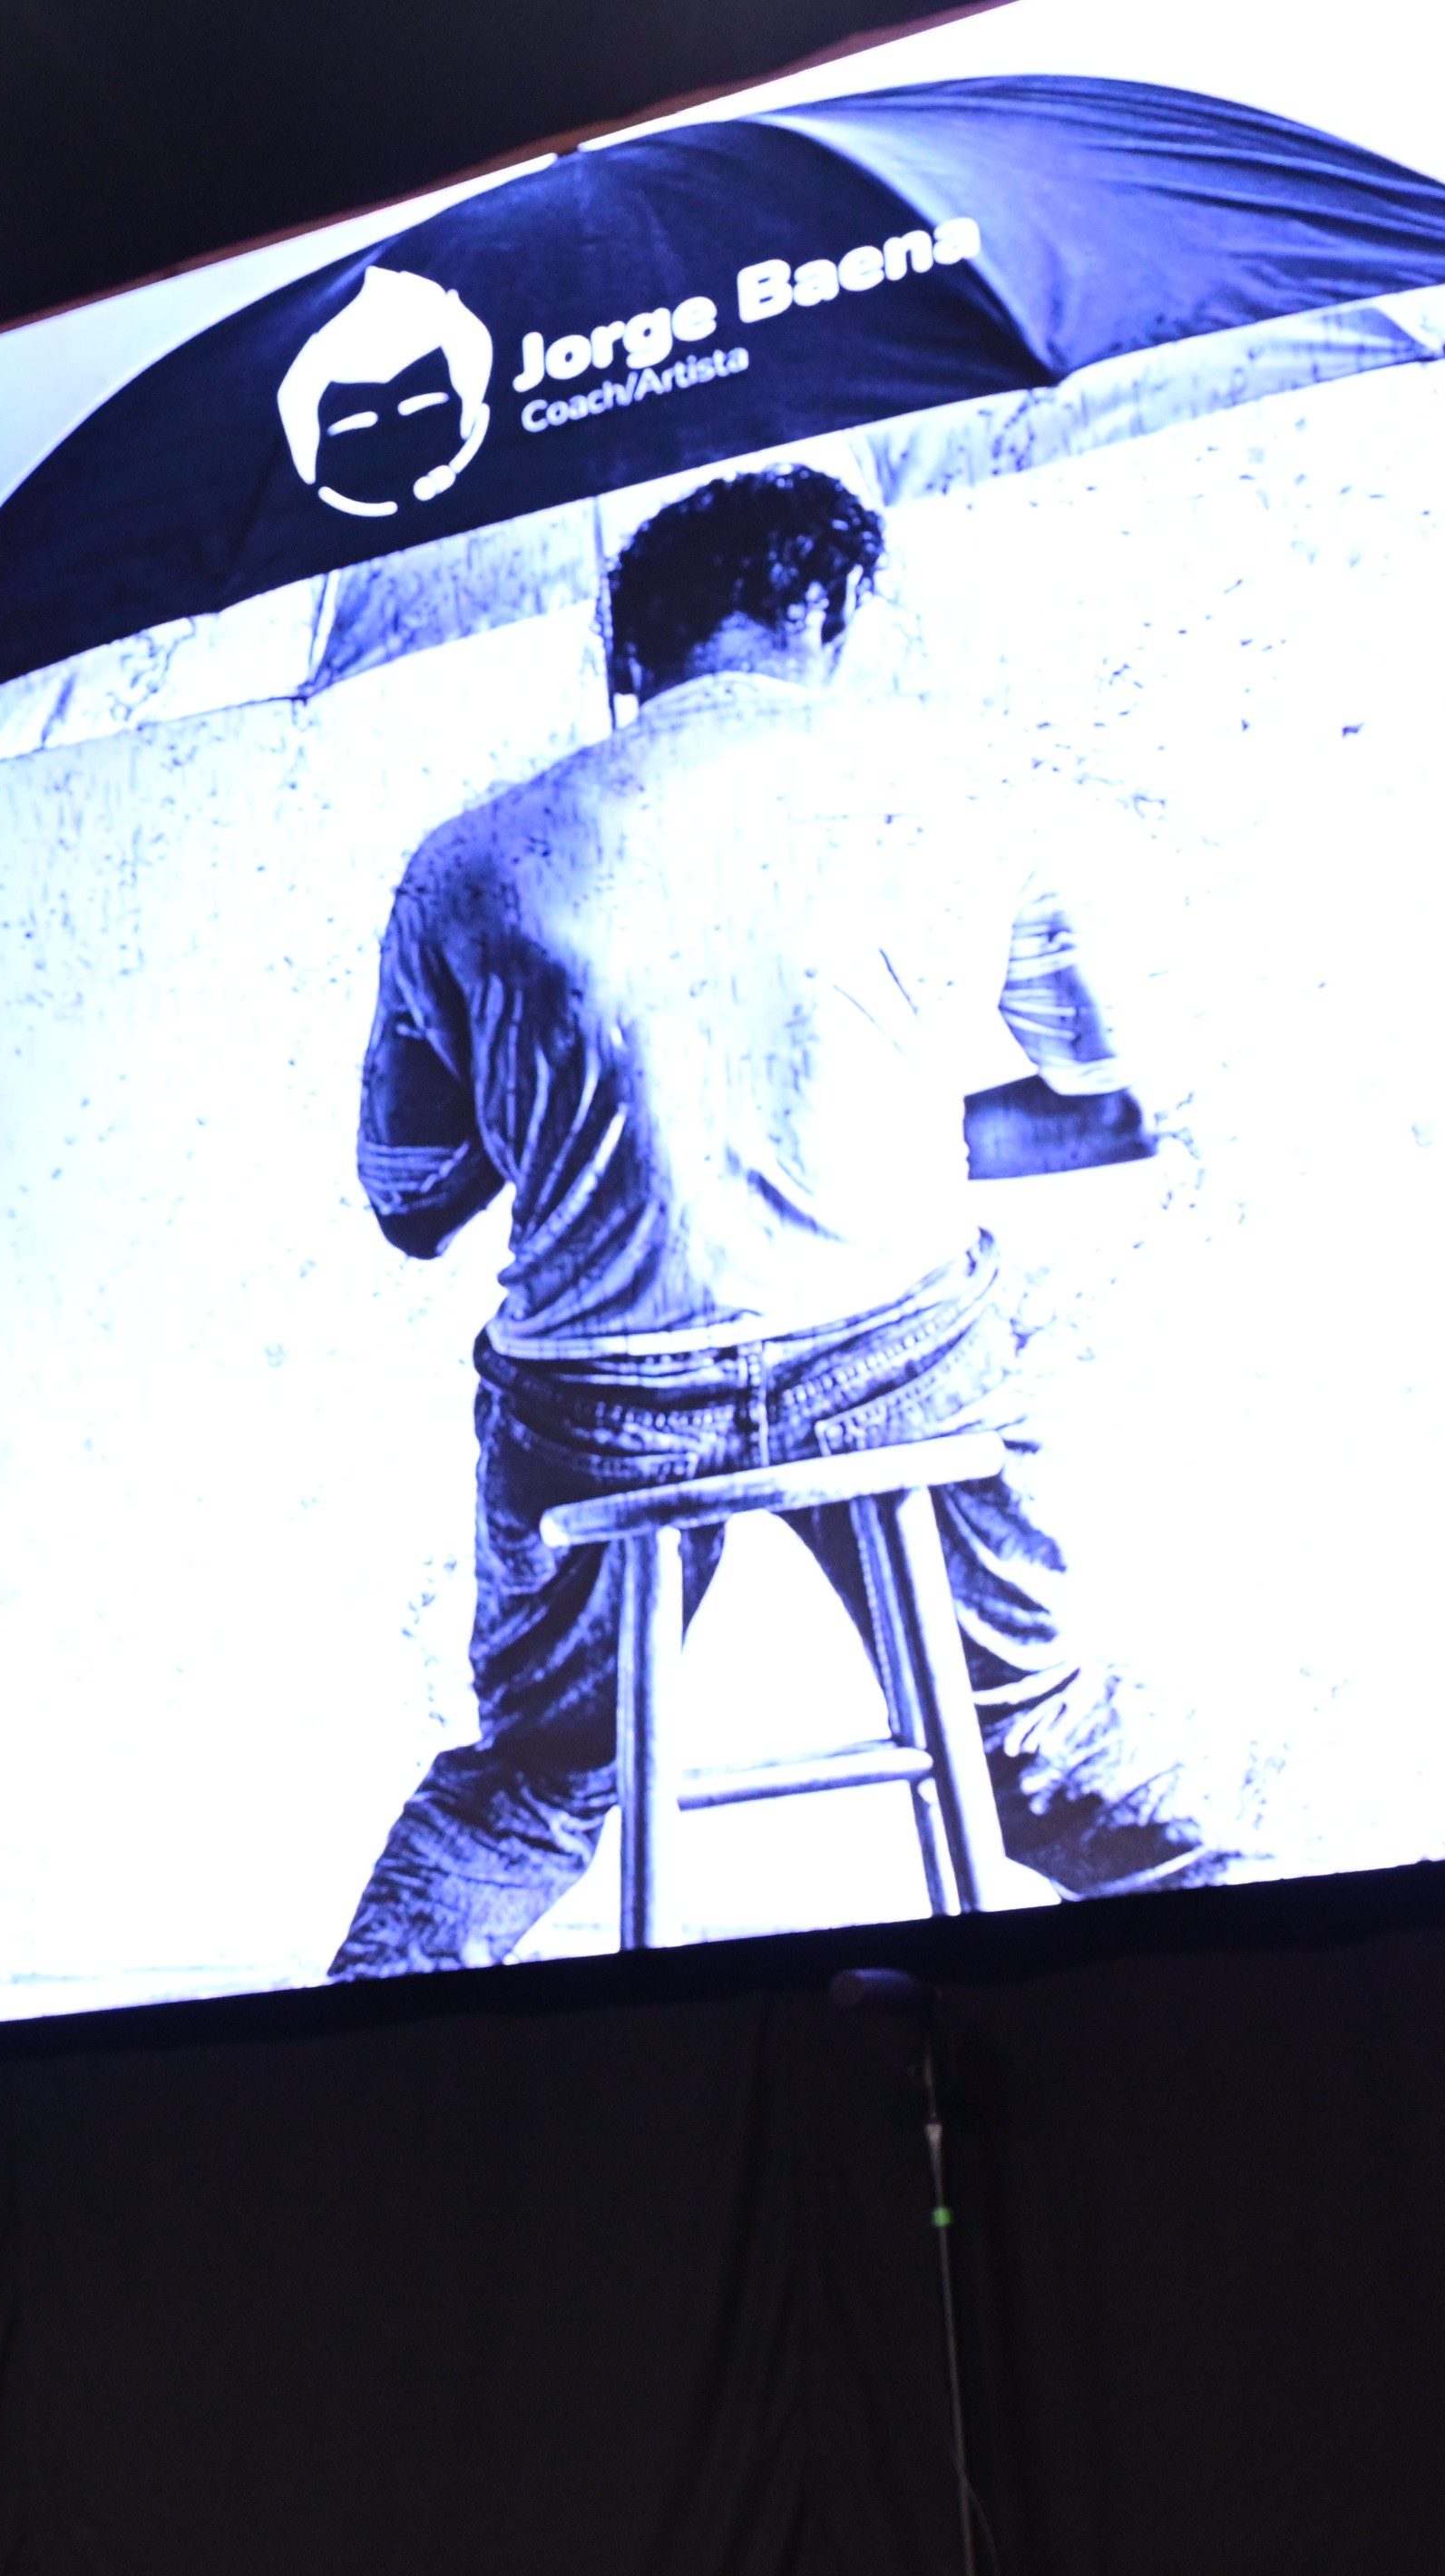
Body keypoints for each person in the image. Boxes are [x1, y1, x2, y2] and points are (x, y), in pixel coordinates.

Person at [329, 465, 1233, 1980]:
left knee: (540, 1782)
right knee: (1037, 1742)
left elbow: (410, 1205)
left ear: (630, 650)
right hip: (900, 1366)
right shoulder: (973, 784)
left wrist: (569, 1114)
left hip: (601, 1419)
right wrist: (881, 1125)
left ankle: (329, 2093)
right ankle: (1334, 1968)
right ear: (821, 606)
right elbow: (1108, 1100)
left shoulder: (465, 864)